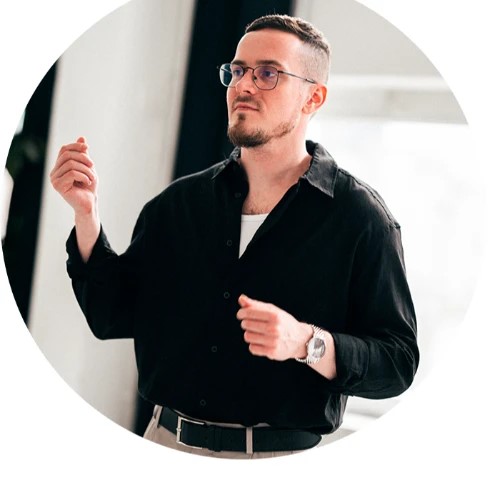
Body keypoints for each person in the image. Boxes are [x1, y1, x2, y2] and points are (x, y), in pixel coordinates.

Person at [50, 14, 419, 459]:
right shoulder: (177, 205)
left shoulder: (362, 220)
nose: (243, 85)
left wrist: (305, 342)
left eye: (268, 73)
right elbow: (112, 315)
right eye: (238, 70)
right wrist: (86, 215)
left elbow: (397, 362)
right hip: (164, 441)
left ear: (313, 97)